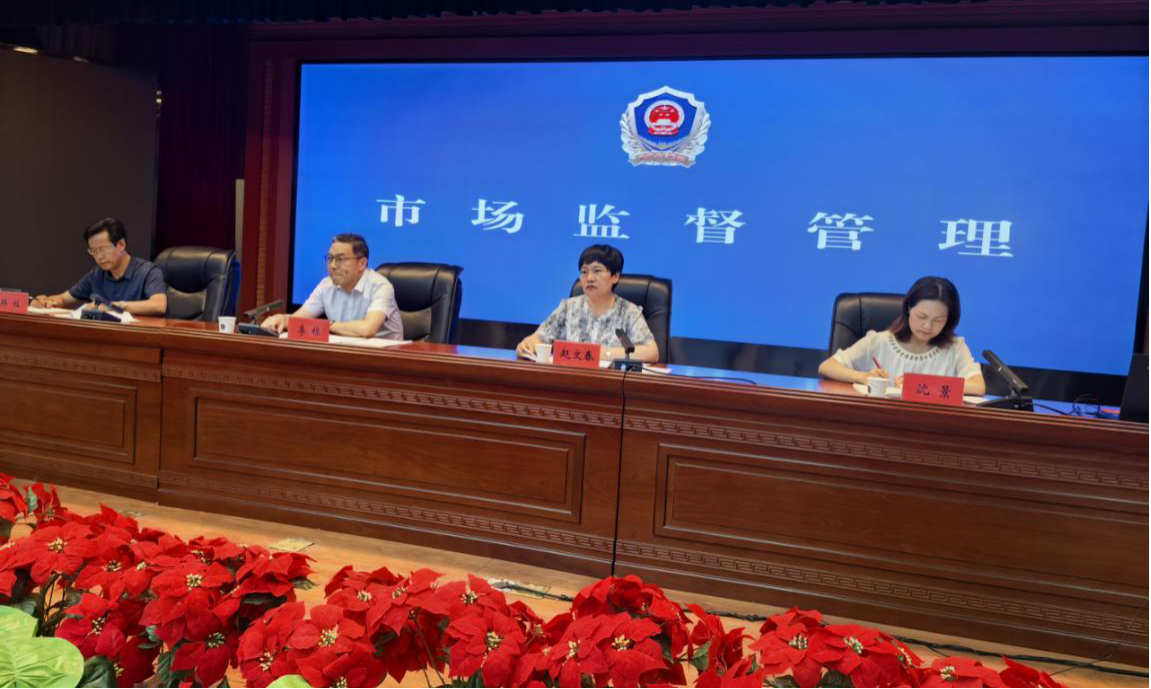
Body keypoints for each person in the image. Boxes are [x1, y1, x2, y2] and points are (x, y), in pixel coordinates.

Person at [818, 276, 987, 396]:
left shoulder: (955, 348)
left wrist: (920, 384)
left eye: (938, 320)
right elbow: (827, 366)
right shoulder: (879, 342)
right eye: (922, 317)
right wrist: (863, 377)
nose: (928, 326)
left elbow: (978, 387)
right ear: (908, 309)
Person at [516, 244, 659, 363]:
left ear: (615, 276)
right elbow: (539, 338)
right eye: (584, 272)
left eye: (597, 271)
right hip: (570, 380)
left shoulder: (628, 312)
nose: (589, 278)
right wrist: (528, 344)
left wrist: (603, 354)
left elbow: (651, 352)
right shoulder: (568, 307)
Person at [261, 233, 403, 339]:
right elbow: (298, 320)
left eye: (340, 259)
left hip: (387, 360)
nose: (333, 266)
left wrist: (327, 325)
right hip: (345, 355)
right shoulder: (326, 285)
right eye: (330, 258)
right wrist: (282, 319)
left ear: (362, 264)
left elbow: (368, 329)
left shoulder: (380, 286)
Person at [31, 218, 167, 317]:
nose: (99, 257)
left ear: (121, 245)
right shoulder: (97, 274)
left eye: (103, 249)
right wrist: (47, 302)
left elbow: (159, 305)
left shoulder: (148, 271)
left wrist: (111, 306)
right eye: (93, 251)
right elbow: (63, 299)